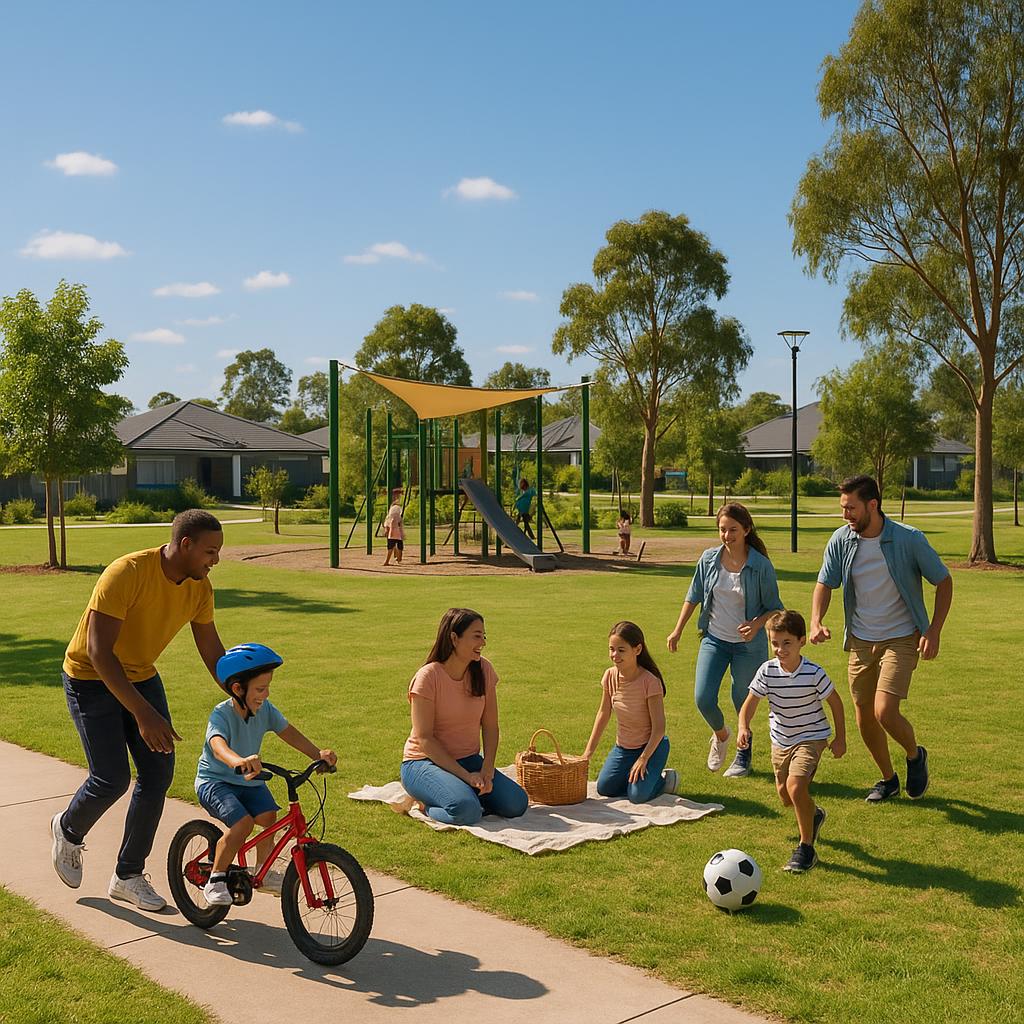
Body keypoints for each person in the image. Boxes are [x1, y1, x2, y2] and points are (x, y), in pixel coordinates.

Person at [51, 509, 227, 912]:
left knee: (157, 772)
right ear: (185, 545)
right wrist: (144, 714)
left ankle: (127, 875)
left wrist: (240, 691)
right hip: (90, 677)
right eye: (210, 552)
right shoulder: (127, 572)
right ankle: (68, 828)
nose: (215, 560)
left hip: (141, 674)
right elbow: (99, 653)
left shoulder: (199, 589)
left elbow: (213, 651)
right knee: (111, 778)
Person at [810, 475, 952, 803]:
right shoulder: (841, 540)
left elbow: (943, 581)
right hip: (860, 639)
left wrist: (934, 630)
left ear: (873, 505)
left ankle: (915, 755)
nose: (845, 515)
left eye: (851, 508)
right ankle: (888, 780)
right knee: (863, 714)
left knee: (884, 711)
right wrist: (817, 620)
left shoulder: (908, 539)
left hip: (901, 637)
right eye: (843, 508)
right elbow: (824, 583)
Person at [195, 643, 337, 905]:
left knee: (269, 816)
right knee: (243, 824)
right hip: (215, 781)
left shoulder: (265, 710)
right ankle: (216, 878)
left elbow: (289, 733)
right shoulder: (221, 714)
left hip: (247, 779)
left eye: (268, 687)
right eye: (260, 689)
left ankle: (263, 869)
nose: (266, 694)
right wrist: (239, 761)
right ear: (238, 689)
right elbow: (217, 746)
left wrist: (318, 754)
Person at [666, 502, 783, 778]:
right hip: (715, 640)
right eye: (722, 529)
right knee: (703, 698)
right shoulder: (708, 559)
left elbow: (776, 607)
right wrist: (677, 630)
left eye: (733, 529)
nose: (727, 535)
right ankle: (721, 735)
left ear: (746, 530)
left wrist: (756, 625)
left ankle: (744, 754)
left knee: (742, 700)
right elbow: (693, 595)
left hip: (748, 647)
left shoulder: (760, 565)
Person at [736, 610, 846, 873]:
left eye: (787, 643)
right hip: (781, 740)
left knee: (796, 788)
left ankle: (806, 849)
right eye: (775, 643)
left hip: (812, 737)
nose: (780, 649)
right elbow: (749, 704)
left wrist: (840, 738)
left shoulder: (813, 672)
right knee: (786, 797)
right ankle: (814, 814)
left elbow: (836, 702)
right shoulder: (767, 671)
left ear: (801, 641)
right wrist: (743, 726)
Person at [398, 608, 529, 825]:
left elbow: (490, 726)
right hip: (422, 763)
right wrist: (467, 776)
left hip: (468, 759)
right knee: (467, 811)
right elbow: (425, 739)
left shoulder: (484, 670)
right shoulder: (428, 678)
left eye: (483, 636)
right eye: (476, 636)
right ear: (453, 638)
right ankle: (424, 805)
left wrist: (487, 769)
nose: (483, 642)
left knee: (516, 804)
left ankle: (459, 792)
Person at [582, 621, 678, 802]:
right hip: (624, 748)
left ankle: (663, 780)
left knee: (637, 796)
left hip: (652, 747)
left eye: (621, 650)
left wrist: (643, 758)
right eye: (611, 649)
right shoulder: (610, 676)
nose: (614, 655)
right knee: (605, 788)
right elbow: (603, 714)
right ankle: (637, 778)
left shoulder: (650, 682)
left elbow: (659, 728)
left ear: (637, 649)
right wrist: (587, 753)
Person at [383, 487, 405, 566]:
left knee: (394, 545)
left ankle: (391, 560)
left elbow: (389, 519)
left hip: (394, 529)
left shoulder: (395, 509)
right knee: (397, 545)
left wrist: (387, 527)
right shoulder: (396, 508)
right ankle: (396, 559)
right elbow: (390, 519)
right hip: (395, 529)